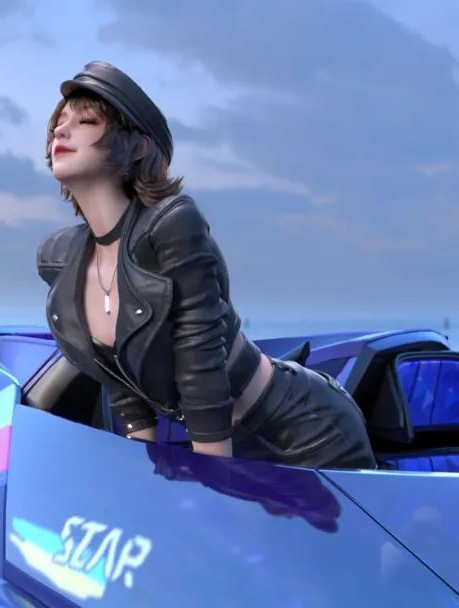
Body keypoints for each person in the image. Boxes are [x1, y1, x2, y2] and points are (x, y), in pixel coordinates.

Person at [36, 60, 375, 469]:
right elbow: (123, 384)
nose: (61, 130)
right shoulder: (62, 259)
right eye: (59, 122)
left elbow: (202, 365)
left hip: (303, 431)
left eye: (86, 120)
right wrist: (140, 468)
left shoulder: (172, 223)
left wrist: (215, 477)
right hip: (229, 447)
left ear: (137, 146)